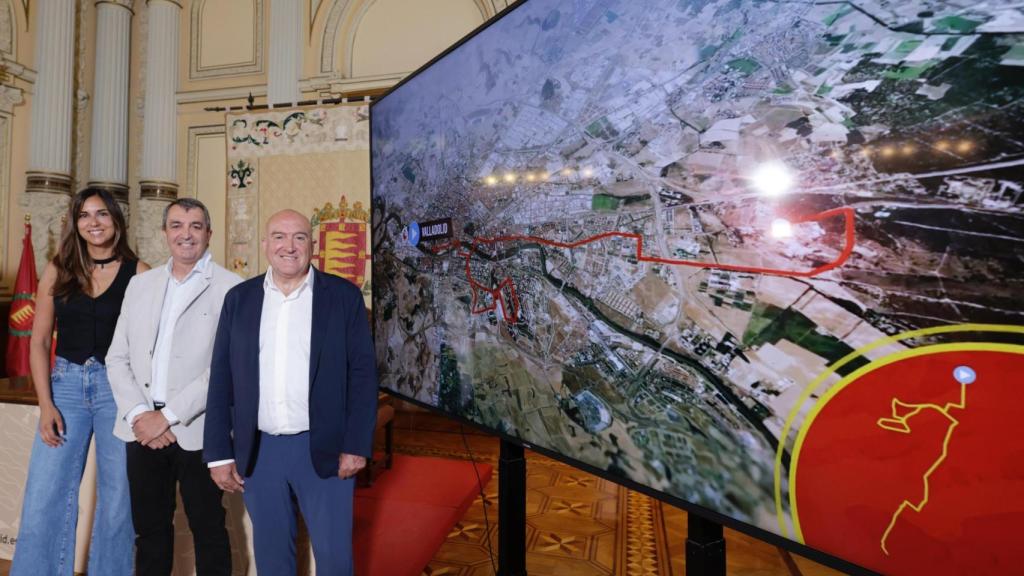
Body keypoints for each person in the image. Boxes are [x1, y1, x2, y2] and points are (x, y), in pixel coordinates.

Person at [204, 209, 378, 575]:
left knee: (333, 559)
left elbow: (363, 376)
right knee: (272, 559)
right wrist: (218, 452)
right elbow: (222, 377)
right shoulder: (240, 298)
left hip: (325, 447)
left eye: (299, 237)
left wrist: (357, 444)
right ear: (265, 245)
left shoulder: (343, 297)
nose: (289, 246)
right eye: (279, 236)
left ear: (312, 246)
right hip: (259, 451)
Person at [11, 188, 149, 576]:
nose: (94, 223)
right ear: (76, 223)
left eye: (102, 214)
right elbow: (38, 341)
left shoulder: (139, 273)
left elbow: (150, 344)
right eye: (85, 215)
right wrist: (46, 404)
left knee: (119, 498)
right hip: (66, 386)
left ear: (116, 221)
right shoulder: (59, 268)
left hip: (117, 392)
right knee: (44, 494)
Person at [106, 198, 240, 575]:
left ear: (208, 234)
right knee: (149, 532)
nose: (186, 234)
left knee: (209, 529)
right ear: (165, 233)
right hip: (141, 431)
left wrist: (165, 418)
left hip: (197, 429)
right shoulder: (140, 285)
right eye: (177, 225)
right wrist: (140, 415)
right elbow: (117, 358)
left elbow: (224, 370)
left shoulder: (233, 289)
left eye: (196, 226)